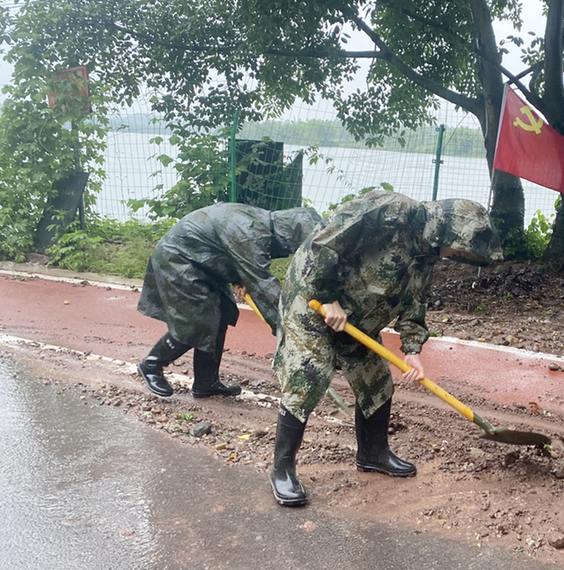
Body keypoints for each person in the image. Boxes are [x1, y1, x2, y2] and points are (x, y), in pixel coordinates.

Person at [269, 190, 502, 507]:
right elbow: (325, 241)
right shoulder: (392, 211)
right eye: (461, 249)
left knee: (376, 379)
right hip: (312, 300)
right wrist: (327, 298)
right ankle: (282, 469)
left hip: (356, 316)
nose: (457, 256)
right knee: (310, 375)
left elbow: (415, 303)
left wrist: (413, 350)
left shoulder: (426, 255)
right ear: (449, 229)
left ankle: (373, 454)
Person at [136, 203, 321, 399]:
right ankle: (151, 364)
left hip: (203, 262)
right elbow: (264, 287)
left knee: (223, 311)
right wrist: (292, 329)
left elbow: (229, 251)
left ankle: (206, 382)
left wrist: (238, 277)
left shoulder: (261, 226)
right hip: (179, 259)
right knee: (196, 321)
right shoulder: (250, 232)